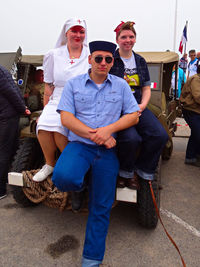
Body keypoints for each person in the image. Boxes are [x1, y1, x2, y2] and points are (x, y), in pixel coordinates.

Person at [52, 41, 139, 267]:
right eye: (98, 58)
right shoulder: (74, 84)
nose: (103, 63)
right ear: (90, 59)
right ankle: (79, 186)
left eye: (108, 59)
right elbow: (66, 118)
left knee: (101, 206)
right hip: (80, 145)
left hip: (107, 151)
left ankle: (91, 259)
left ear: (112, 62)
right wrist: (95, 135)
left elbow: (133, 115)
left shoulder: (120, 86)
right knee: (63, 177)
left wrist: (108, 131)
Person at [110, 21, 168, 188]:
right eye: (123, 37)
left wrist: (142, 105)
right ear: (117, 39)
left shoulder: (140, 60)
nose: (127, 40)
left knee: (160, 135)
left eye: (131, 36)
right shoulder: (110, 59)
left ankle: (142, 170)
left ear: (135, 39)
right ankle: (125, 172)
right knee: (131, 139)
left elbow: (146, 88)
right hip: (118, 107)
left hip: (137, 104)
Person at [33, 18, 89, 182]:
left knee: (59, 129)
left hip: (81, 97)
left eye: (81, 31)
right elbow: (48, 86)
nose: (78, 35)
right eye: (74, 31)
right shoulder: (53, 54)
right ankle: (50, 164)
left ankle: (70, 166)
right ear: (66, 33)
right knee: (42, 126)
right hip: (57, 97)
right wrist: (45, 109)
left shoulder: (90, 54)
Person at [0, 64, 30, 199]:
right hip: (6, 115)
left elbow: (12, 91)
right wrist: (23, 108)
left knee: (7, 149)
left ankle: (4, 183)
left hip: (6, 115)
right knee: (7, 150)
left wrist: (21, 108)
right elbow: (12, 91)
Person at [180, 60, 200, 167]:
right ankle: (191, 157)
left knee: (196, 133)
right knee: (198, 133)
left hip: (196, 110)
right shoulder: (196, 79)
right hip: (191, 110)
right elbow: (198, 97)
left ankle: (193, 156)